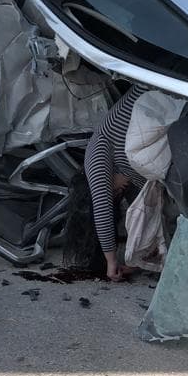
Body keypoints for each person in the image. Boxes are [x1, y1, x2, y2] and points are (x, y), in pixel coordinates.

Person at [84, 85, 145, 280]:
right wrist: (138, 261)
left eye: (115, 194)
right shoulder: (131, 179)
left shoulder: (97, 151)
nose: (121, 193)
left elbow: (101, 205)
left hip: (154, 91)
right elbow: (149, 219)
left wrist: (111, 261)